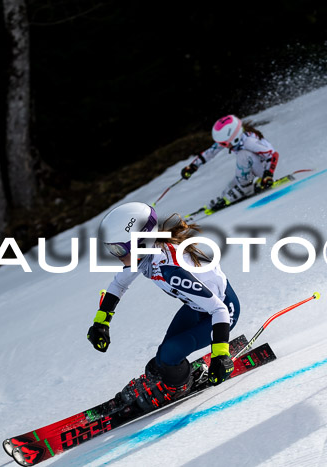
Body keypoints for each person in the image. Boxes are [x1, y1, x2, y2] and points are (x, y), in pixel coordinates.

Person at [87, 201, 240, 412]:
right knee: (161, 359)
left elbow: (219, 310)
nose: (117, 255)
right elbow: (119, 284)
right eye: (111, 249)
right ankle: (166, 374)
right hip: (198, 308)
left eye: (118, 248)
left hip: (221, 312)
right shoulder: (146, 256)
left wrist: (220, 354)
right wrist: (101, 322)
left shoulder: (171, 271)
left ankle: (178, 386)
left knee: (169, 355)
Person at [180, 115, 280, 211]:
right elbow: (211, 152)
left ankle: (246, 188)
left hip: (263, 168)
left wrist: (268, 174)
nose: (221, 145)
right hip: (251, 167)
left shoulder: (249, 142)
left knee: (243, 155)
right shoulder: (233, 140)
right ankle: (240, 189)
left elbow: (273, 155)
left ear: (234, 137)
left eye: (223, 143)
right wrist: (193, 166)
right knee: (228, 189)